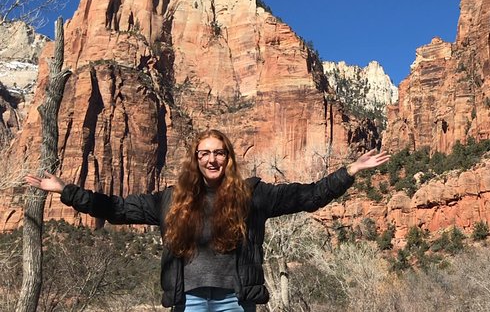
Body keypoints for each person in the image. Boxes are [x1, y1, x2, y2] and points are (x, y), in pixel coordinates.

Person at [25, 128, 390, 312]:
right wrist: (66, 191)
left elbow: (307, 196)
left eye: (219, 153)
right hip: (190, 301)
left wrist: (350, 171)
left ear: (228, 157)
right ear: (195, 158)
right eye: (205, 153)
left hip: (236, 300)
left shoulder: (253, 194)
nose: (212, 160)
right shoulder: (169, 199)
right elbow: (116, 208)